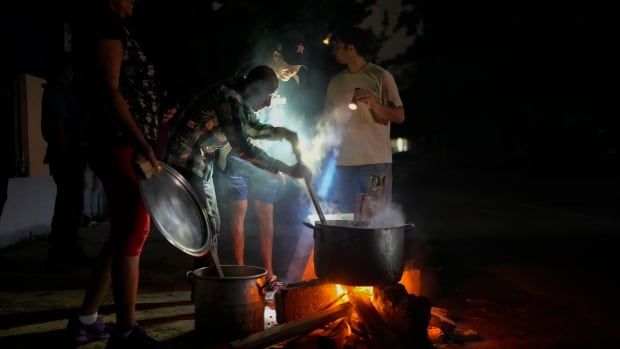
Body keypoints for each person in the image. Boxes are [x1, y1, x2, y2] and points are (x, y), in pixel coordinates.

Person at [67, 0, 167, 347]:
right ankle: (126, 331)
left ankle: (86, 319)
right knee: (136, 226)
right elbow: (110, 89)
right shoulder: (105, 26)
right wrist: (142, 141)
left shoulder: (110, 27)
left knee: (125, 230)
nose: (135, 1)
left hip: (122, 139)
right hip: (119, 140)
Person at [163, 65, 311, 270]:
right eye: (267, 96)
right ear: (255, 87)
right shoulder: (228, 99)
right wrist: (286, 168)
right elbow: (243, 147)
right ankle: (209, 285)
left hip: (201, 163)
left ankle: (206, 285)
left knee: (211, 226)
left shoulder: (238, 100)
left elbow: (253, 128)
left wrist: (284, 133)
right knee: (207, 226)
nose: (268, 103)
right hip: (187, 160)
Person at [324, 27, 405, 212]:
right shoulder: (336, 82)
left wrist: (374, 104)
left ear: (351, 49)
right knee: (347, 220)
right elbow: (327, 122)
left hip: (375, 162)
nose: (334, 51)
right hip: (344, 164)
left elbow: (399, 116)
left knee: (376, 221)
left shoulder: (381, 76)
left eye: (337, 46)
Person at [40, 55, 90, 266]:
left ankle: (66, 247)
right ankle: (63, 249)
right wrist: (69, 151)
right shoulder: (58, 92)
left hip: (65, 155)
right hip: (67, 156)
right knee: (69, 203)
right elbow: (60, 126)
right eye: (69, 71)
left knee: (69, 202)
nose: (71, 76)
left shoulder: (56, 92)